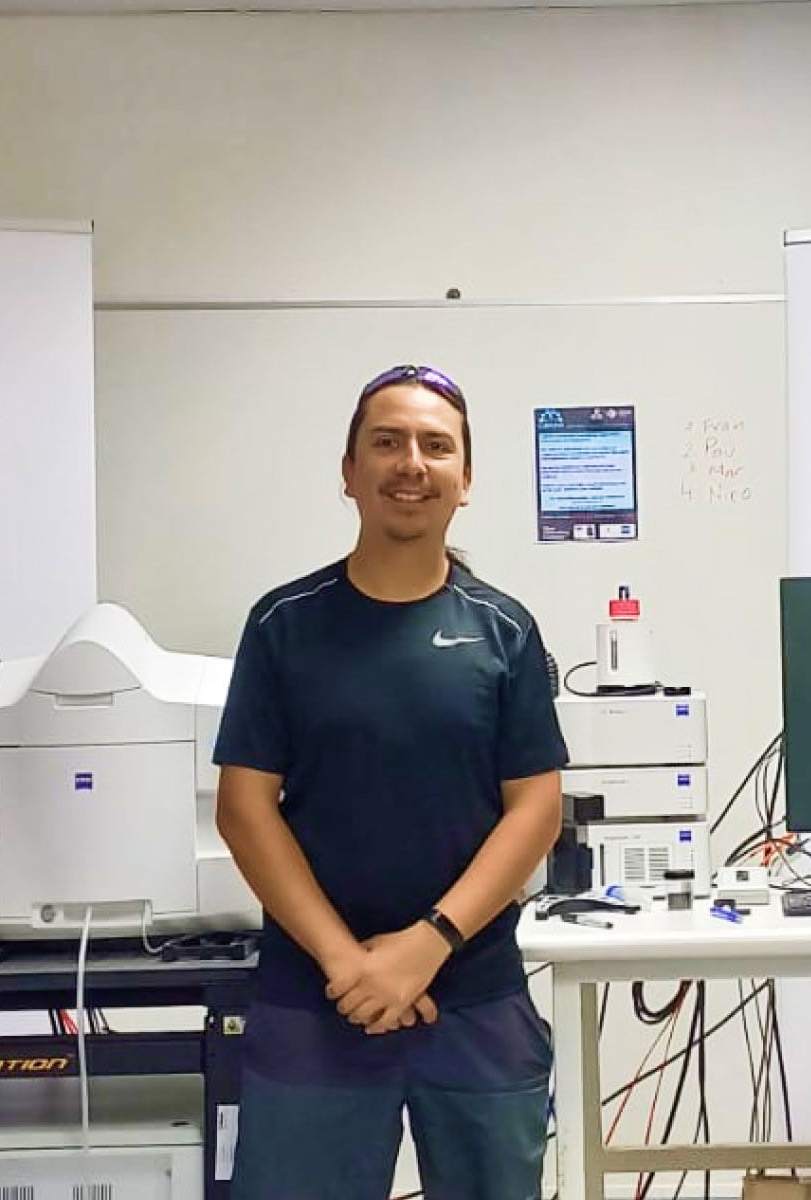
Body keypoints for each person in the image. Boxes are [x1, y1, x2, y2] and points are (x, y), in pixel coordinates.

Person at [214, 364, 567, 1200]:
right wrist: (351, 966)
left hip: (473, 995)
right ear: (349, 472)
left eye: (436, 446)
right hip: (315, 1000)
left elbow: (536, 808)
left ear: (466, 480)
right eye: (387, 442)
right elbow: (244, 809)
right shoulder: (283, 626)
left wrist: (425, 946)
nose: (412, 462)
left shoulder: (504, 632)